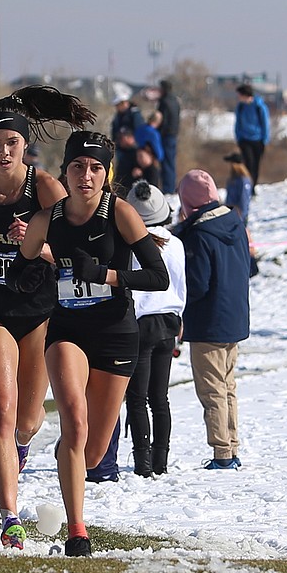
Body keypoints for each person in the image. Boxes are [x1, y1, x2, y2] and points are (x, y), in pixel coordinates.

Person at [0, 85, 95, 550]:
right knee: (1, 413)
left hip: (41, 313)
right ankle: (9, 516)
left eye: (12, 143)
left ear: (25, 145)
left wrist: (36, 242)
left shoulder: (45, 188)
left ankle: (21, 448)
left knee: (28, 420)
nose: (3, 152)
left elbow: (72, 249)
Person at [6, 130, 169, 557]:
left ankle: (72, 461)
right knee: (74, 422)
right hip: (67, 331)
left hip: (117, 331)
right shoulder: (48, 219)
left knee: (93, 454)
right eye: (78, 166)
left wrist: (105, 275)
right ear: (66, 171)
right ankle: (77, 531)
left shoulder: (121, 213)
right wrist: (27, 274)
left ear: (106, 174)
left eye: (96, 168)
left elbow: (158, 277)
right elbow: (21, 266)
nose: (86, 175)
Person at [173, 169, 252, 471]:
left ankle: (222, 453)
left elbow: (198, 283)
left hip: (208, 321)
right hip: (234, 317)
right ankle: (231, 445)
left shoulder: (199, 235)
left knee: (211, 388)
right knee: (227, 385)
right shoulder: (234, 223)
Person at [124, 180, 186, 476]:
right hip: (169, 320)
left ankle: (143, 460)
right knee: (160, 397)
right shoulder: (176, 243)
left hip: (142, 322)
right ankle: (161, 459)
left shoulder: (131, 244)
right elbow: (181, 285)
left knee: (137, 397)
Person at [233, 83, 270, 193]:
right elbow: (237, 123)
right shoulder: (240, 107)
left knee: (255, 165)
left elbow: (265, 123)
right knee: (248, 162)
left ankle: (252, 186)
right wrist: (238, 137)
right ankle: (248, 186)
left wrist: (265, 139)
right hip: (244, 140)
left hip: (258, 140)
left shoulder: (259, 106)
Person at [156, 79, 181, 193]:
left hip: (166, 135)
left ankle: (168, 189)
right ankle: (170, 186)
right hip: (173, 134)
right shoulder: (175, 101)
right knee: (171, 163)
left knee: (166, 163)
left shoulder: (164, 102)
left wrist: (159, 132)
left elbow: (163, 120)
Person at [223, 152, 253, 222]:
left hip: (238, 216)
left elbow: (244, 199)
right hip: (230, 214)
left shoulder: (243, 180)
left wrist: (241, 216)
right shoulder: (233, 179)